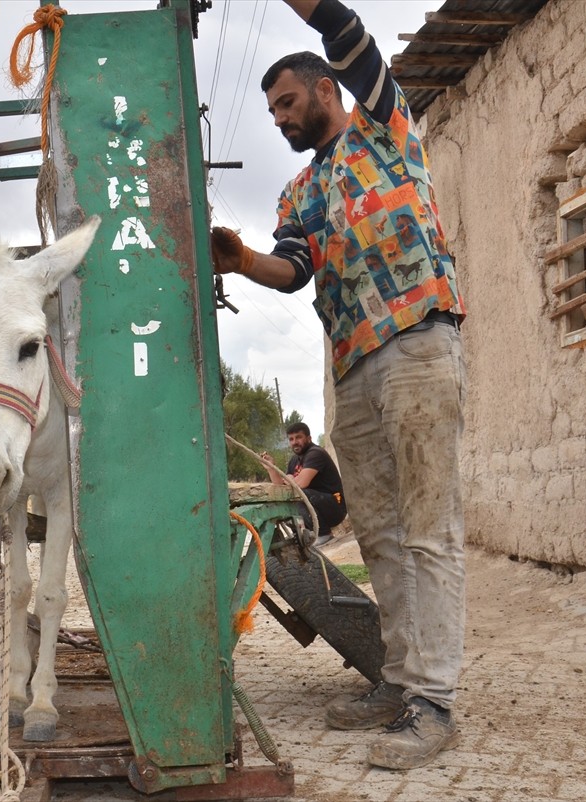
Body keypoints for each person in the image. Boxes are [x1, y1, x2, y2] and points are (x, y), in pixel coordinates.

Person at [210, 0, 468, 772]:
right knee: (383, 535)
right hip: (352, 368)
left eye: (287, 102)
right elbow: (293, 271)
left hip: (420, 338)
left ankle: (435, 702)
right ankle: (397, 683)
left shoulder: (384, 127)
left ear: (326, 91)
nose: (279, 117)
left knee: (429, 528)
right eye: (272, 110)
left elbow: (347, 35)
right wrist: (242, 258)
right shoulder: (300, 193)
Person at [261, 421, 346, 547]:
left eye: (298, 437)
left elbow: (301, 484)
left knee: (299, 494)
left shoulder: (315, 453)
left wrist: (290, 479)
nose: (295, 442)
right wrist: (271, 468)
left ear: (309, 438)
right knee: (285, 497)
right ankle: (301, 536)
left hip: (334, 507)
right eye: (291, 439)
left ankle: (323, 534)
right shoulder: (294, 460)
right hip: (316, 506)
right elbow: (281, 487)